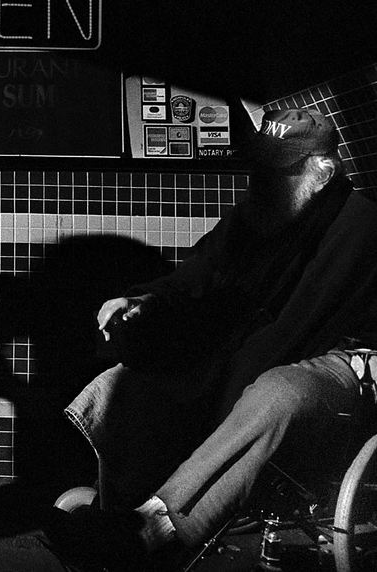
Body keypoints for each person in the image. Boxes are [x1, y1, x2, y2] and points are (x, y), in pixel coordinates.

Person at [45, 108, 377, 570]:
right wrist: (142, 300)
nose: (260, 179)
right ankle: (115, 512)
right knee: (129, 380)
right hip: (246, 353)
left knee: (274, 393)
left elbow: (307, 332)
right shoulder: (256, 216)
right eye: (259, 167)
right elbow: (197, 274)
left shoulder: (363, 228)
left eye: (277, 171)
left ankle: (153, 528)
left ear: (321, 174)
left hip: (326, 368)